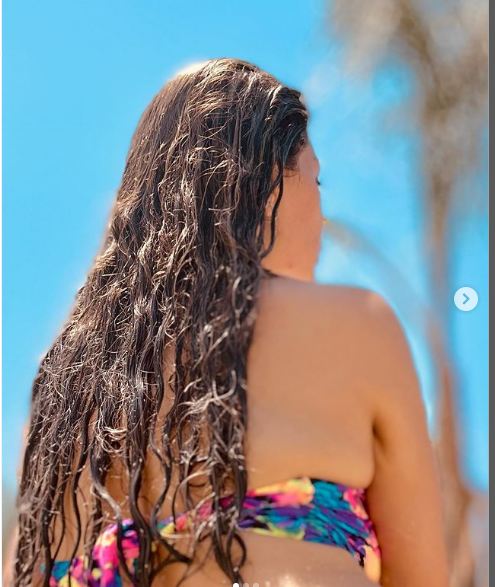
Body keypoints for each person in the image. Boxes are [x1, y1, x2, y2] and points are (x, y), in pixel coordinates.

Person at [7, 58, 449, 587]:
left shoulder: (66, 388)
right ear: (265, 180)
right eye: (316, 178)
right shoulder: (358, 327)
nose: (322, 213)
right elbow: (422, 575)